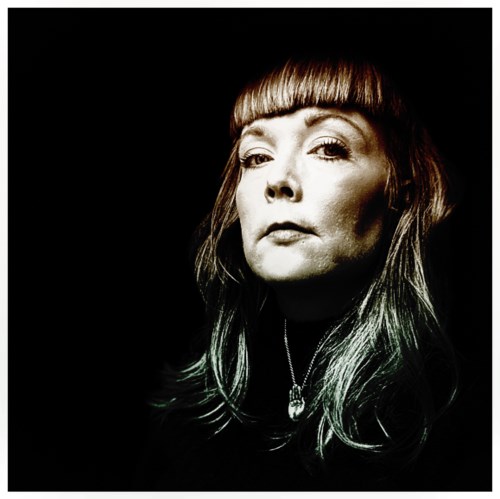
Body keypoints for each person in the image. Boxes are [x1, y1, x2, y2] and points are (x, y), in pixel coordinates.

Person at [136, 56, 462, 491]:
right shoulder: (187, 411)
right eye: (256, 157)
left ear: (401, 189)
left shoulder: (465, 411)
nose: (278, 180)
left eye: (328, 148)